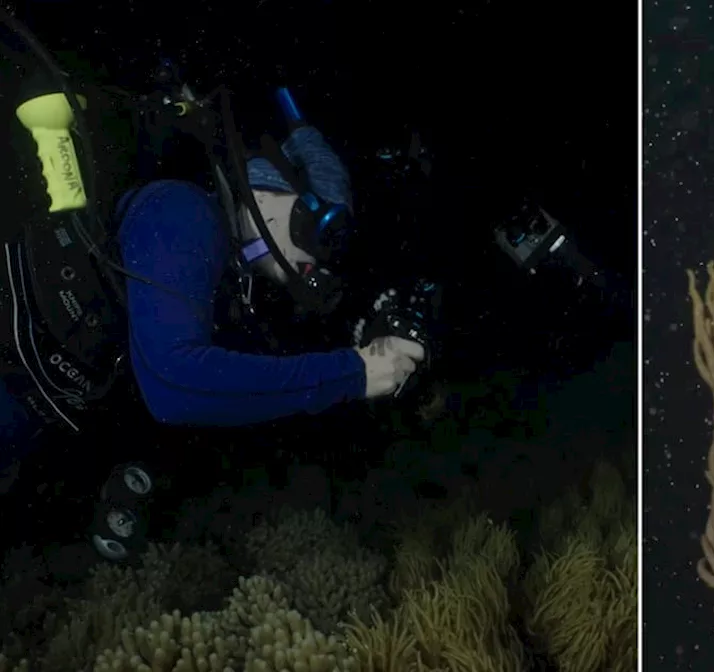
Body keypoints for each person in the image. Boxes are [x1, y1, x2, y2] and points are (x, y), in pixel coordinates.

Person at [0, 120, 427, 494]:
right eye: (321, 231)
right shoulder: (184, 212)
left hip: (30, 407)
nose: (318, 257)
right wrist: (351, 374)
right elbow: (174, 384)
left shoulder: (228, 277)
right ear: (272, 196)